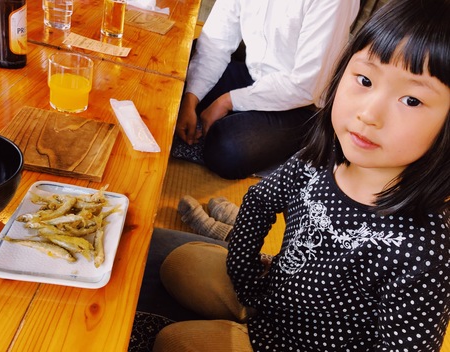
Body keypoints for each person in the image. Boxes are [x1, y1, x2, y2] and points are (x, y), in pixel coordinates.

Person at [151, 0, 450, 350]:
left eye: (411, 100)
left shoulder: (424, 251)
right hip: (272, 297)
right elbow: (261, 200)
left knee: (174, 343)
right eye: (365, 80)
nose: (369, 114)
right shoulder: (322, 156)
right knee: (179, 265)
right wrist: (246, 277)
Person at [172, 0, 360, 179]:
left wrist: (227, 100)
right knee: (173, 69)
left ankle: (306, 140)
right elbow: (216, 41)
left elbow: (306, 85)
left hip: (304, 104)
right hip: (254, 75)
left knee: (227, 150)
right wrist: (190, 99)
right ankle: (231, 115)